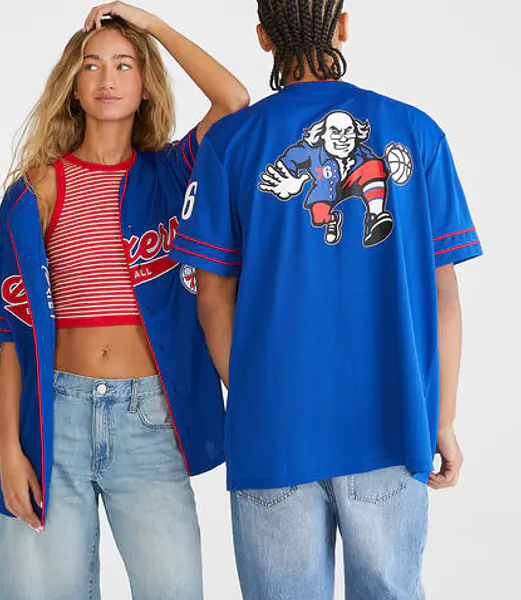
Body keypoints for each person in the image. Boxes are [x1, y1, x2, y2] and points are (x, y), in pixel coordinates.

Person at [170, 1, 481, 598]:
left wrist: (256, 395)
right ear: (342, 26)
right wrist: (441, 418)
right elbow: (444, 293)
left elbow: (211, 295)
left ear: (263, 38)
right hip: (391, 423)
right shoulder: (416, 130)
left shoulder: (232, 141)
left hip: (274, 433)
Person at [0, 2, 249, 599]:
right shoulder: (37, 188)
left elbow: (232, 100)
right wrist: (8, 450)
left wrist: (152, 25)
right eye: (91, 65)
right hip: (56, 420)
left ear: (146, 86)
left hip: (151, 418)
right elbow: (10, 336)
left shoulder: (172, 172)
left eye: (125, 64)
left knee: (174, 589)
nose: (107, 78)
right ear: (73, 87)